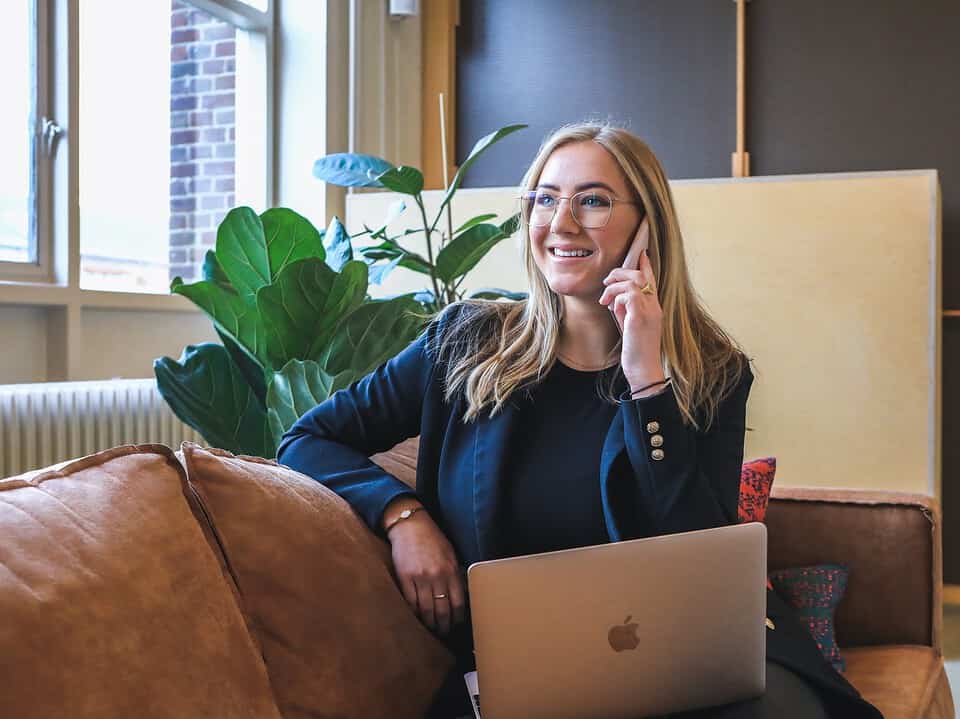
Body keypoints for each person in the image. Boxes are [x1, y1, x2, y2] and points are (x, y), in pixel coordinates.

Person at [276, 123, 883, 719]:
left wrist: (648, 381)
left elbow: (700, 552)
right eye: (545, 198)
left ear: (648, 227)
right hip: (522, 669)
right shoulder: (463, 344)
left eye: (592, 201)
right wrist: (402, 516)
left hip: (688, 660)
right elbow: (307, 438)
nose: (561, 223)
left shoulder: (713, 371)